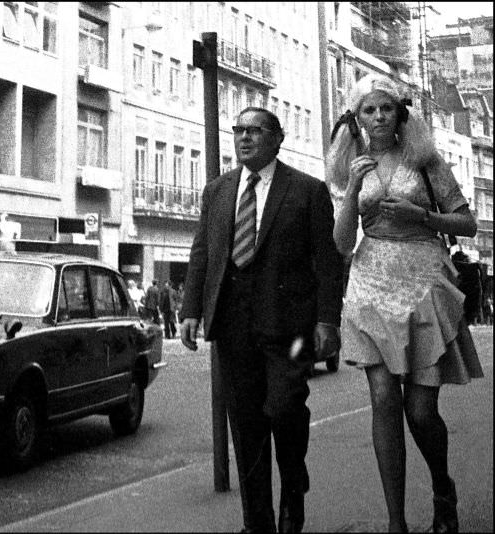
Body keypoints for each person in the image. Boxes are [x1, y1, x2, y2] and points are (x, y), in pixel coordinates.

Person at [327, 74, 483, 533]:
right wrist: (353, 191)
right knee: (381, 398)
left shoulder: (425, 159)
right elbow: (340, 244)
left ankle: (441, 486)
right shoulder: (348, 164)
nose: (377, 118)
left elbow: (467, 223)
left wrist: (424, 217)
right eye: (368, 111)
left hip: (423, 278)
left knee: (420, 411)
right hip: (370, 279)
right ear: (356, 119)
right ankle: (396, 521)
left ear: (400, 113)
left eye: (385, 109)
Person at [180, 107, 344, 533]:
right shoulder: (217, 191)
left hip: (291, 329)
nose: (244, 137)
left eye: (255, 130)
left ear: (278, 139)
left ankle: (294, 485)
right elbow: (203, 253)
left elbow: (327, 262)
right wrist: (191, 310)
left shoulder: (306, 191)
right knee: (247, 424)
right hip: (234, 324)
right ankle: (258, 522)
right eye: (238, 130)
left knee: (286, 407)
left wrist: (328, 321)